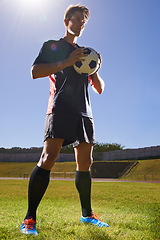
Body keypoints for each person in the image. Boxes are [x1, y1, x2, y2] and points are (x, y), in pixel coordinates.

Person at [20, 4, 109, 235]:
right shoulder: (54, 46)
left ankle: (87, 215)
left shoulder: (86, 53)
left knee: (86, 162)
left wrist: (96, 69)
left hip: (84, 111)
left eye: (84, 22)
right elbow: (34, 72)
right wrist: (66, 62)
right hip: (59, 108)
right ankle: (29, 219)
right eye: (77, 19)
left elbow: (100, 89)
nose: (80, 24)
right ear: (66, 20)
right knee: (48, 157)